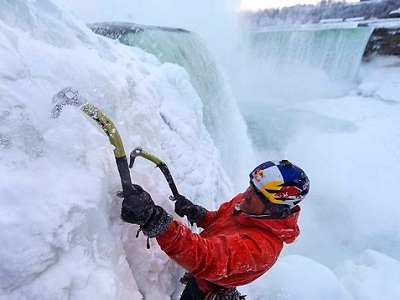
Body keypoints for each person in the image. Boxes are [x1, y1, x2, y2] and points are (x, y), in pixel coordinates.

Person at [121, 159, 310, 300]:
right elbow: (220, 219)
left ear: (276, 208)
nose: (245, 194)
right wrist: (197, 213)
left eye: (257, 194)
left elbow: (205, 257)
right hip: (204, 281)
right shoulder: (248, 206)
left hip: (206, 291)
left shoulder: (261, 248)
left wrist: (156, 220)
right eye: (251, 187)